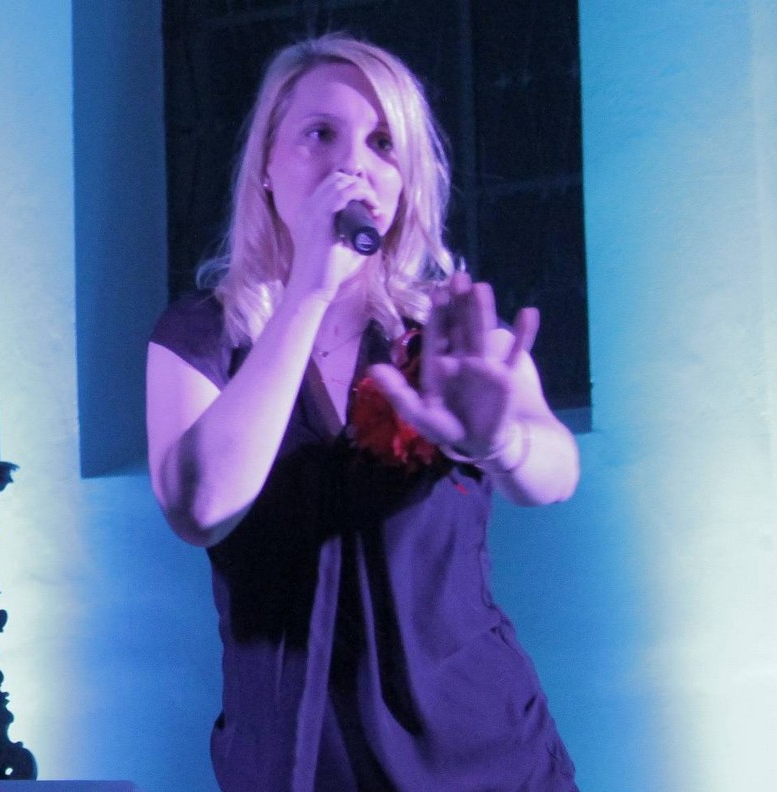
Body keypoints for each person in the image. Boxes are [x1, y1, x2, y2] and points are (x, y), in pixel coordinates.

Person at [145, 34, 580, 791]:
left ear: (405, 181)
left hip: (480, 757)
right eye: (320, 134)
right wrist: (308, 292)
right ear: (267, 166)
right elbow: (200, 508)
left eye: (382, 144)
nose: (353, 166)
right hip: (300, 765)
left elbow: (555, 472)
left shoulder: (446, 333)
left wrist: (499, 440)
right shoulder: (203, 336)